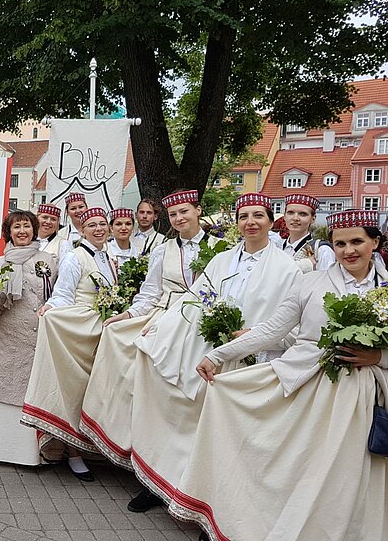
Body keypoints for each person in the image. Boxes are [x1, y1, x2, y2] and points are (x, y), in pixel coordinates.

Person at [179, 210, 388, 541]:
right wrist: (217, 355)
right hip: (309, 388)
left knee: (343, 478)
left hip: (359, 400)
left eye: (357, 241)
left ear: (375, 242)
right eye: (340, 243)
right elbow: (273, 330)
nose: (349, 250)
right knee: (291, 465)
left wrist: (379, 356)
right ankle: (244, 522)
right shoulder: (311, 283)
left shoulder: (386, 289)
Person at [125, 192, 301, 513]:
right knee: (180, 418)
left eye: (258, 216)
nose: (250, 222)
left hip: (250, 362)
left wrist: (256, 336)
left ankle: (215, 506)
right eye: (243, 216)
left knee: (225, 437)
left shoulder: (289, 268)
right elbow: (193, 298)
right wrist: (161, 324)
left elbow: (293, 328)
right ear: (236, 223)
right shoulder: (221, 261)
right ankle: (162, 485)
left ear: (271, 221)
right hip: (207, 352)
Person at [80, 190, 215, 469]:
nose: (179, 218)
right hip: (163, 316)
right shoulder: (162, 250)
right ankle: (145, 459)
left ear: (198, 210)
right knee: (131, 356)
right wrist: (128, 314)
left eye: (184, 211)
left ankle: (187, 465)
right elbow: (150, 292)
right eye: (174, 214)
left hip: (200, 322)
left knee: (190, 393)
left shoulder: (220, 248)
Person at [22, 207, 115, 482]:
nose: (98, 229)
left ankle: (90, 446)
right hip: (80, 330)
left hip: (100, 330)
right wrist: (49, 308)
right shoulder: (76, 257)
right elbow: (63, 293)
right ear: (82, 230)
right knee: (74, 390)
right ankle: (73, 452)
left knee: (92, 391)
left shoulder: (107, 256)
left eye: (102, 224)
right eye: (92, 225)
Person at [0, 211, 57, 466]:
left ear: (34, 230)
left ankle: (30, 453)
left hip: (36, 336)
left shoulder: (48, 260)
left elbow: (57, 296)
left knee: (30, 389)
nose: (22, 231)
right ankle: (1, 449)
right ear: (9, 232)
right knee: (5, 386)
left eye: (27, 226)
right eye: (17, 227)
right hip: (7, 335)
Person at [279, 193, 336, 273]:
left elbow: (326, 283)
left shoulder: (321, 250)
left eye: (303, 214)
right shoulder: (277, 248)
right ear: (284, 216)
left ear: (313, 219)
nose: (295, 218)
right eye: (290, 213)